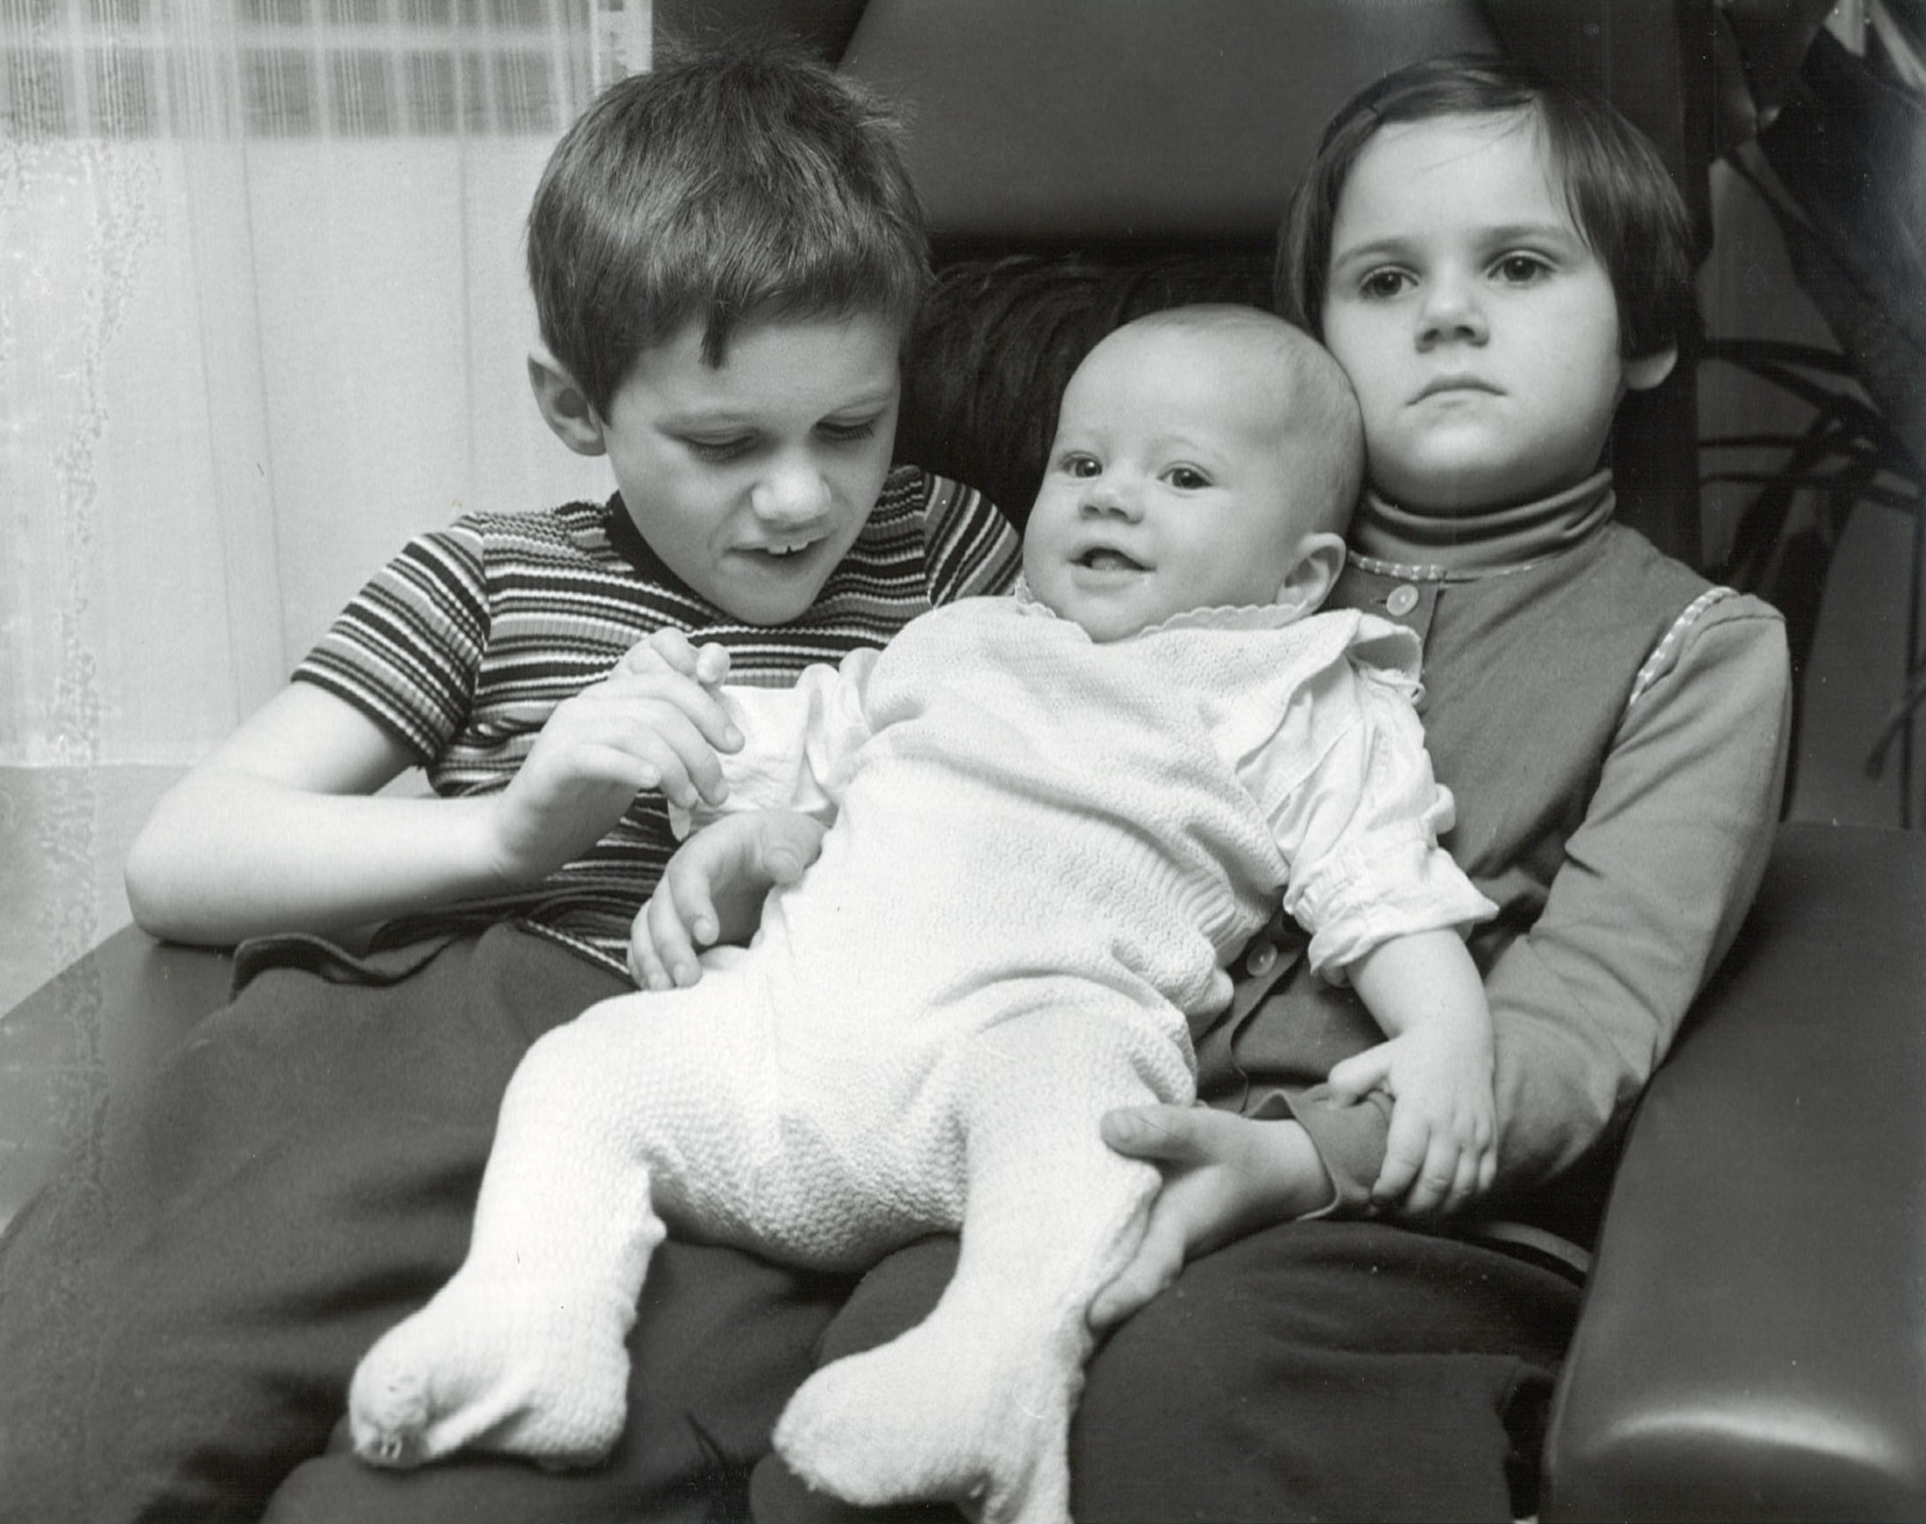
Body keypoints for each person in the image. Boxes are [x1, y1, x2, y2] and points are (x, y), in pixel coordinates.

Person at [744, 54, 1793, 1523]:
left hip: (1414, 1214)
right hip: (1074, 1134)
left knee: (1187, 1403)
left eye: (1517, 266)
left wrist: (1302, 1160)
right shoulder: (1175, 558)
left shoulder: (1697, 649)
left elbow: (1584, 1019)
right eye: (1384, 281)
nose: (1445, 313)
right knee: (876, 1385)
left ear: (1647, 335)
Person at [0, 41, 1020, 1524]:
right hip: (463, 1026)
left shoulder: (947, 552)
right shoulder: (489, 577)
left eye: (850, 427)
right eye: (724, 442)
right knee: (90, 1407)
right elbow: (184, 856)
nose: (802, 497)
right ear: (574, 404)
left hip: (750, 1100)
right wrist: (512, 831)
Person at [342, 306, 1501, 1523]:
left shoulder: (1302, 687)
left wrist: (1446, 1034)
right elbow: (798, 744)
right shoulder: (957, 637)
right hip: (779, 1047)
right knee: (588, 1067)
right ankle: (532, 1330)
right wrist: (703, 755)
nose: (1111, 497)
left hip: (1004, 1063)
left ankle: (992, 1372)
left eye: (1183, 477)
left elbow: (1381, 880)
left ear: (1303, 572)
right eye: (1082, 464)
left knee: (1097, 1113)